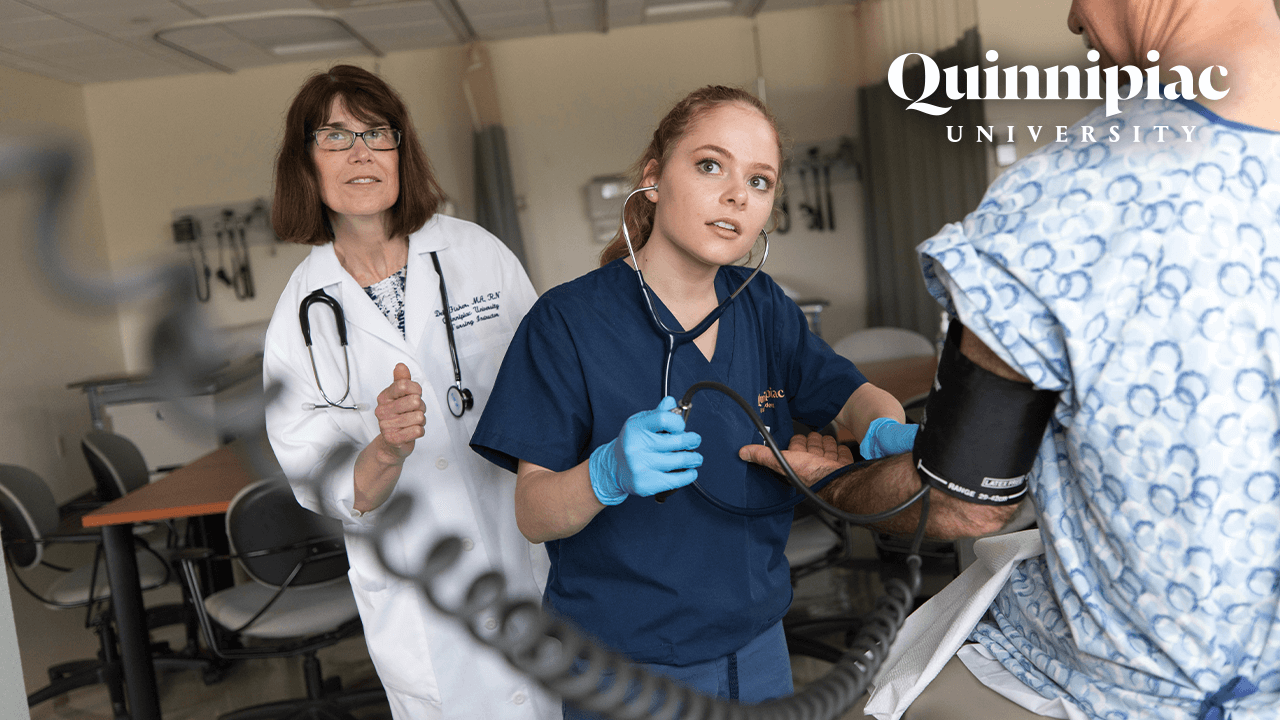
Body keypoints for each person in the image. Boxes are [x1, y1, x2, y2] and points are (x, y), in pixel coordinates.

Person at [742, 1, 1280, 718]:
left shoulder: (1065, 202)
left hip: (1122, 687)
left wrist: (835, 480)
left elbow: (962, 506)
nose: (1072, 18)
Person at [469, 85, 919, 716]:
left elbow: (853, 396)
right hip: (625, 664)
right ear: (653, 180)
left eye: (759, 181)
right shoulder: (565, 322)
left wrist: (882, 430)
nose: (737, 194)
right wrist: (608, 475)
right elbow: (534, 512)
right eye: (711, 165)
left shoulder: (763, 307)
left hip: (759, 646)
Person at [262, 65, 556, 720]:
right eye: (335, 136)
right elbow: (329, 487)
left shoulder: (477, 254)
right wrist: (386, 448)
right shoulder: (298, 319)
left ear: (402, 151)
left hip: (525, 555)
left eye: (377, 133)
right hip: (425, 602)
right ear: (304, 163)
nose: (361, 152)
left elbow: (552, 384)